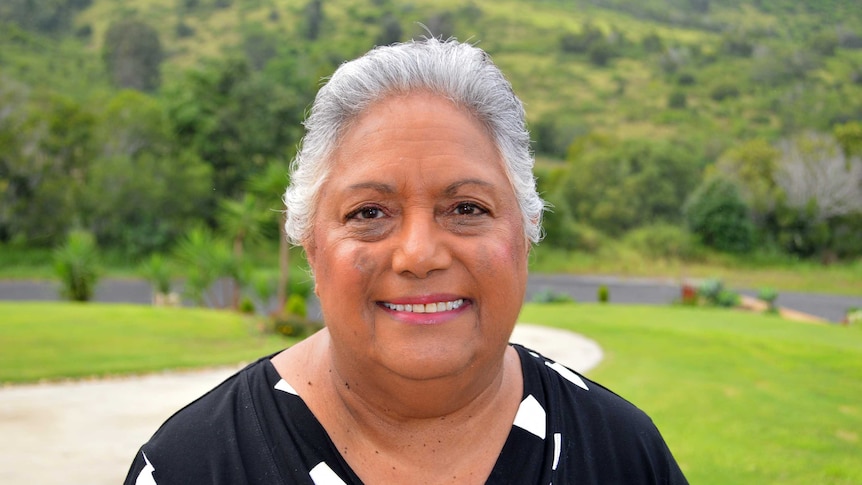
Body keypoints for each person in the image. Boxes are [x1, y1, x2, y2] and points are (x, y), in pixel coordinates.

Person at [125, 38, 687, 484]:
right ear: (311, 244)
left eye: (466, 207)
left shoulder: (621, 453)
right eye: (370, 213)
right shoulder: (195, 466)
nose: (419, 254)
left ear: (527, 229)